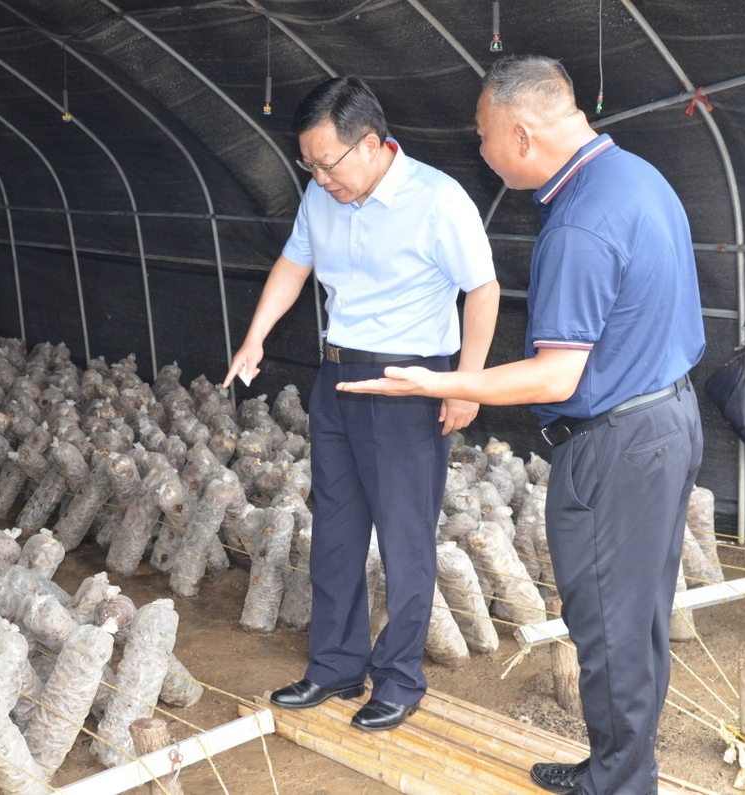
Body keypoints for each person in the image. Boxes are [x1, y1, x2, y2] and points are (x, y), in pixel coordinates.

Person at [338, 55, 704, 793]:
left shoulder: (579, 225)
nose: (480, 151)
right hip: (665, 417)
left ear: (523, 134)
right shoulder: (637, 177)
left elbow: (556, 374)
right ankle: (619, 766)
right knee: (634, 620)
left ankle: (621, 783)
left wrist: (443, 380)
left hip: (617, 444)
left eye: (483, 136)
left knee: (607, 627)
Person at [222, 76, 499, 732]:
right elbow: (294, 264)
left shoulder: (438, 200)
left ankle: (399, 678)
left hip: (410, 384)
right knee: (337, 534)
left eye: (327, 162)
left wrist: (466, 383)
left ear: (370, 144)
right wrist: (255, 336)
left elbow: (482, 290)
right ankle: (335, 666)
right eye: (308, 165)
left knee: (405, 539)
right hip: (339, 376)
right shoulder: (323, 199)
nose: (318, 177)